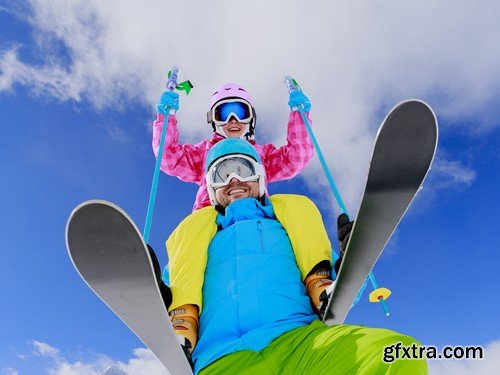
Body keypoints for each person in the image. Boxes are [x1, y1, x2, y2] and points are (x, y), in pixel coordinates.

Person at [164, 139, 427, 374]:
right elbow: (167, 293)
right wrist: (157, 292)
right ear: (211, 187)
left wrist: (348, 262)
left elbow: (340, 291)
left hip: (301, 344)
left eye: (244, 169)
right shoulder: (193, 240)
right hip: (221, 359)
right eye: (222, 173)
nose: (234, 179)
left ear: (260, 177)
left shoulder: (288, 224)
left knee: (395, 353)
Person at [153, 82, 314, 211]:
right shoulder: (205, 153)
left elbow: (295, 158)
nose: (233, 120)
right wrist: (167, 117)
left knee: (294, 211)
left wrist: (299, 115)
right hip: (210, 216)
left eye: (240, 112)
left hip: (254, 212)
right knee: (190, 233)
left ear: (251, 118)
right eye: (224, 114)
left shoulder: (260, 154)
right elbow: (168, 158)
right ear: (213, 120)